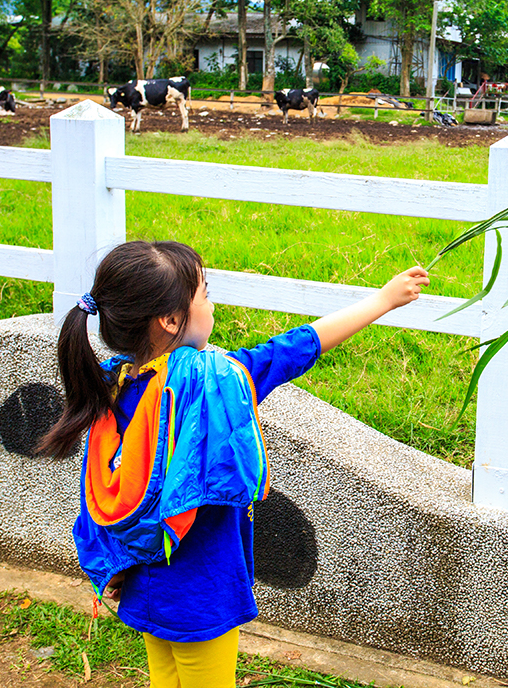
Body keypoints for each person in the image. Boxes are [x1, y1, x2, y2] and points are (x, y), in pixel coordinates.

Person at [38, 240, 430, 688]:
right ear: (169, 320)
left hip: (142, 584)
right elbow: (292, 350)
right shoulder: (214, 383)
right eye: (205, 293)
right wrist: (382, 300)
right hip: (201, 591)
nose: (211, 302)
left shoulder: (113, 384)